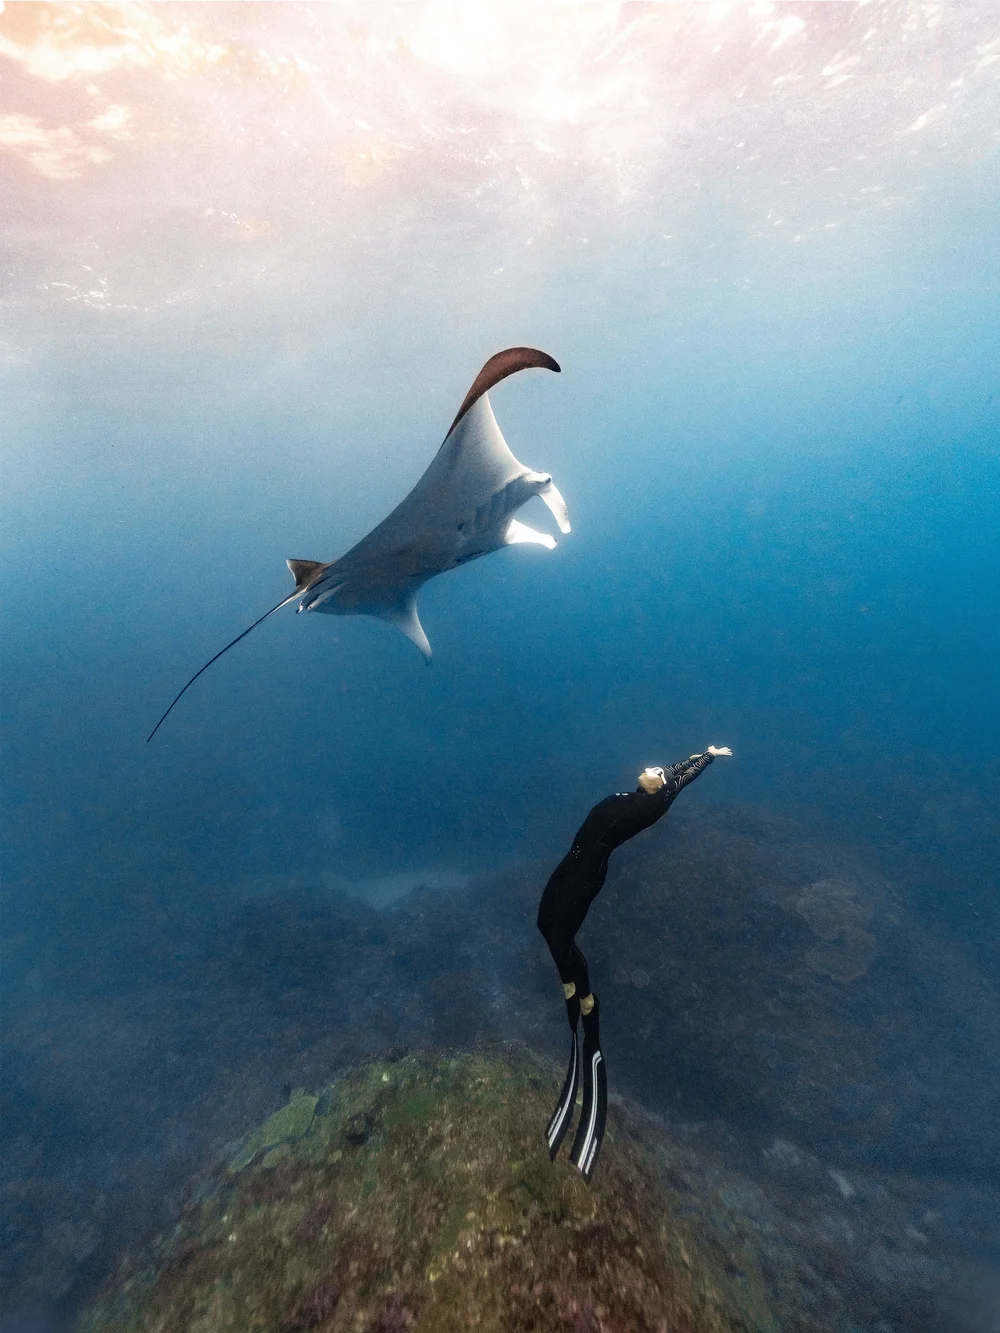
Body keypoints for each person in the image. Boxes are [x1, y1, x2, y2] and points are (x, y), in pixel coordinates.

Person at [537, 746, 732, 1182]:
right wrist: (706, 751)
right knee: (542, 923)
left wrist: (702, 765)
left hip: (586, 872)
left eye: (655, 771)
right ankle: (571, 986)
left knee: (562, 935)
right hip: (571, 862)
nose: (649, 768)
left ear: (658, 786)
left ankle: (587, 1003)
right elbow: (677, 767)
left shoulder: (654, 802)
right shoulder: (641, 792)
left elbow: (679, 779)